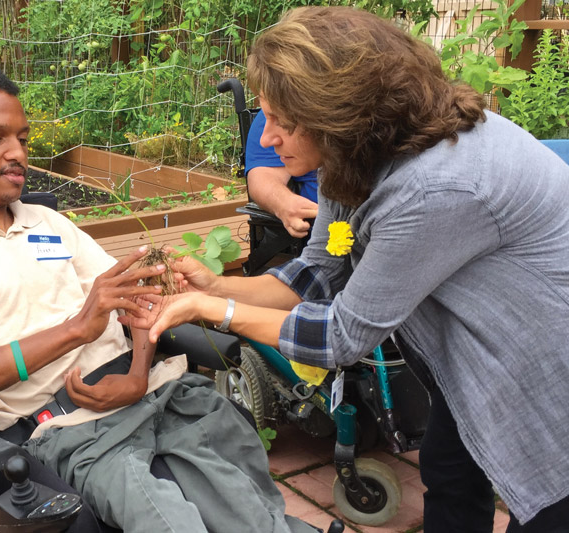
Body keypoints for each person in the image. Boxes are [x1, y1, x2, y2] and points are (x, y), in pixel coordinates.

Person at [137, 7, 569, 532]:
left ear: (341, 116)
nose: (266, 139)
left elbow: (342, 335)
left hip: (544, 364)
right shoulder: (360, 154)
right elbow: (318, 272)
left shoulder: (434, 186)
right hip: (480, 353)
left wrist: (215, 310)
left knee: (549, 505)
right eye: (264, 114)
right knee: (449, 469)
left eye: (284, 123)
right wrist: (217, 283)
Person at [0, 65, 318, 533]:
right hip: (63, 425)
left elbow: (135, 296)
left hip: (151, 394)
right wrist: (75, 330)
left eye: (21, 138)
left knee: (253, 513)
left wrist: (138, 374)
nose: (16, 152)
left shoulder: (47, 224)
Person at [245, 109, 319, 238]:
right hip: (322, 230)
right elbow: (263, 177)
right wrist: (285, 203)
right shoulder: (273, 109)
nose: (265, 139)